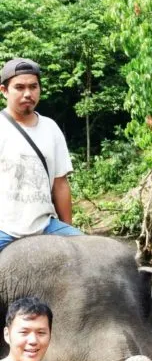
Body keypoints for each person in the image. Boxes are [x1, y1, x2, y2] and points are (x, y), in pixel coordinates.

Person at [0, 58, 82, 252]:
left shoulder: (51, 128)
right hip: (4, 227)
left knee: (92, 256)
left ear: (40, 89)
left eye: (33, 87)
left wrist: (69, 230)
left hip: (45, 225)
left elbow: (60, 183)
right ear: (3, 91)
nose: (27, 94)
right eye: (19, 87)